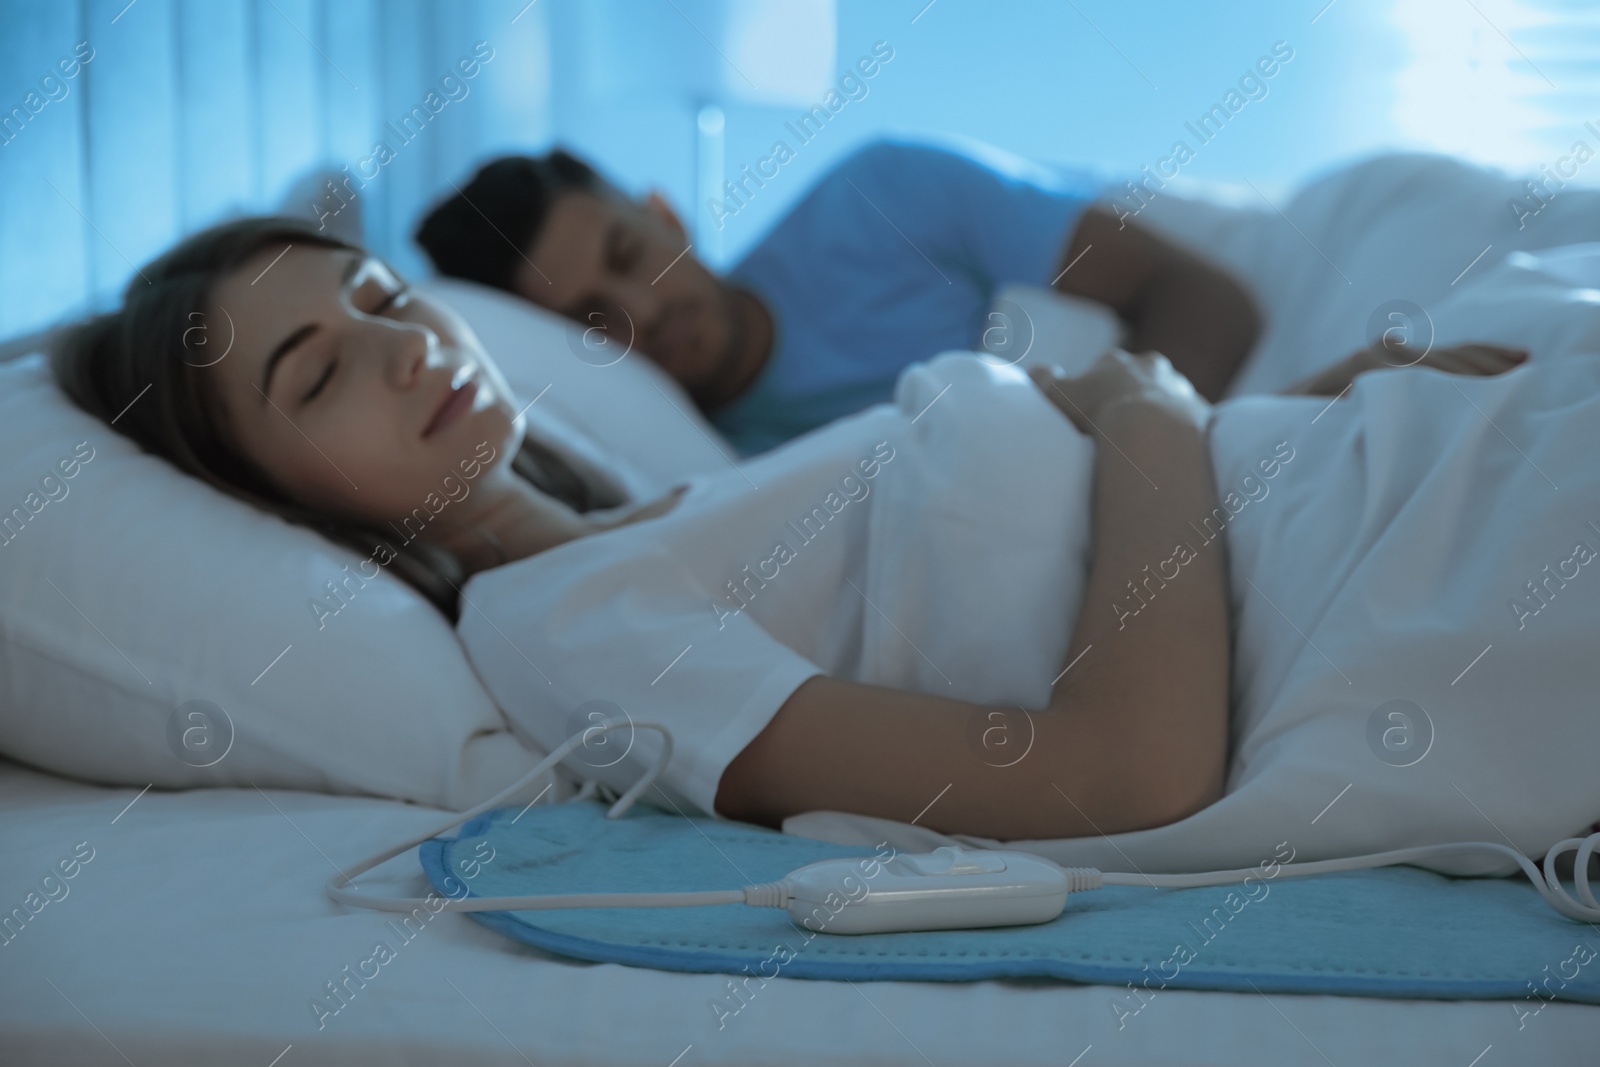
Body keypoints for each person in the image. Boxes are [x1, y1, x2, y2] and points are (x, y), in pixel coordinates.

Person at [51, 218, 1527, 842]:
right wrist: (1148, 415)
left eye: (382, 297)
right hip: (1407, 592)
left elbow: (1145, 460)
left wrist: (1333, 395)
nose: (400, 350)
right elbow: (1124, 775)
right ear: (282, 502)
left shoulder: (672, 511)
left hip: (1389, 478)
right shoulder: (554, 628)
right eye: (314, 374)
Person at [414, 138, 1266, 455]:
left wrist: (1136, 468)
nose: (643, 309)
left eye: (630, 254)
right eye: (591, 319)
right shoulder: (684, 467)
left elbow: (1198, 292)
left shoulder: (878, 198)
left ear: (663, 214)